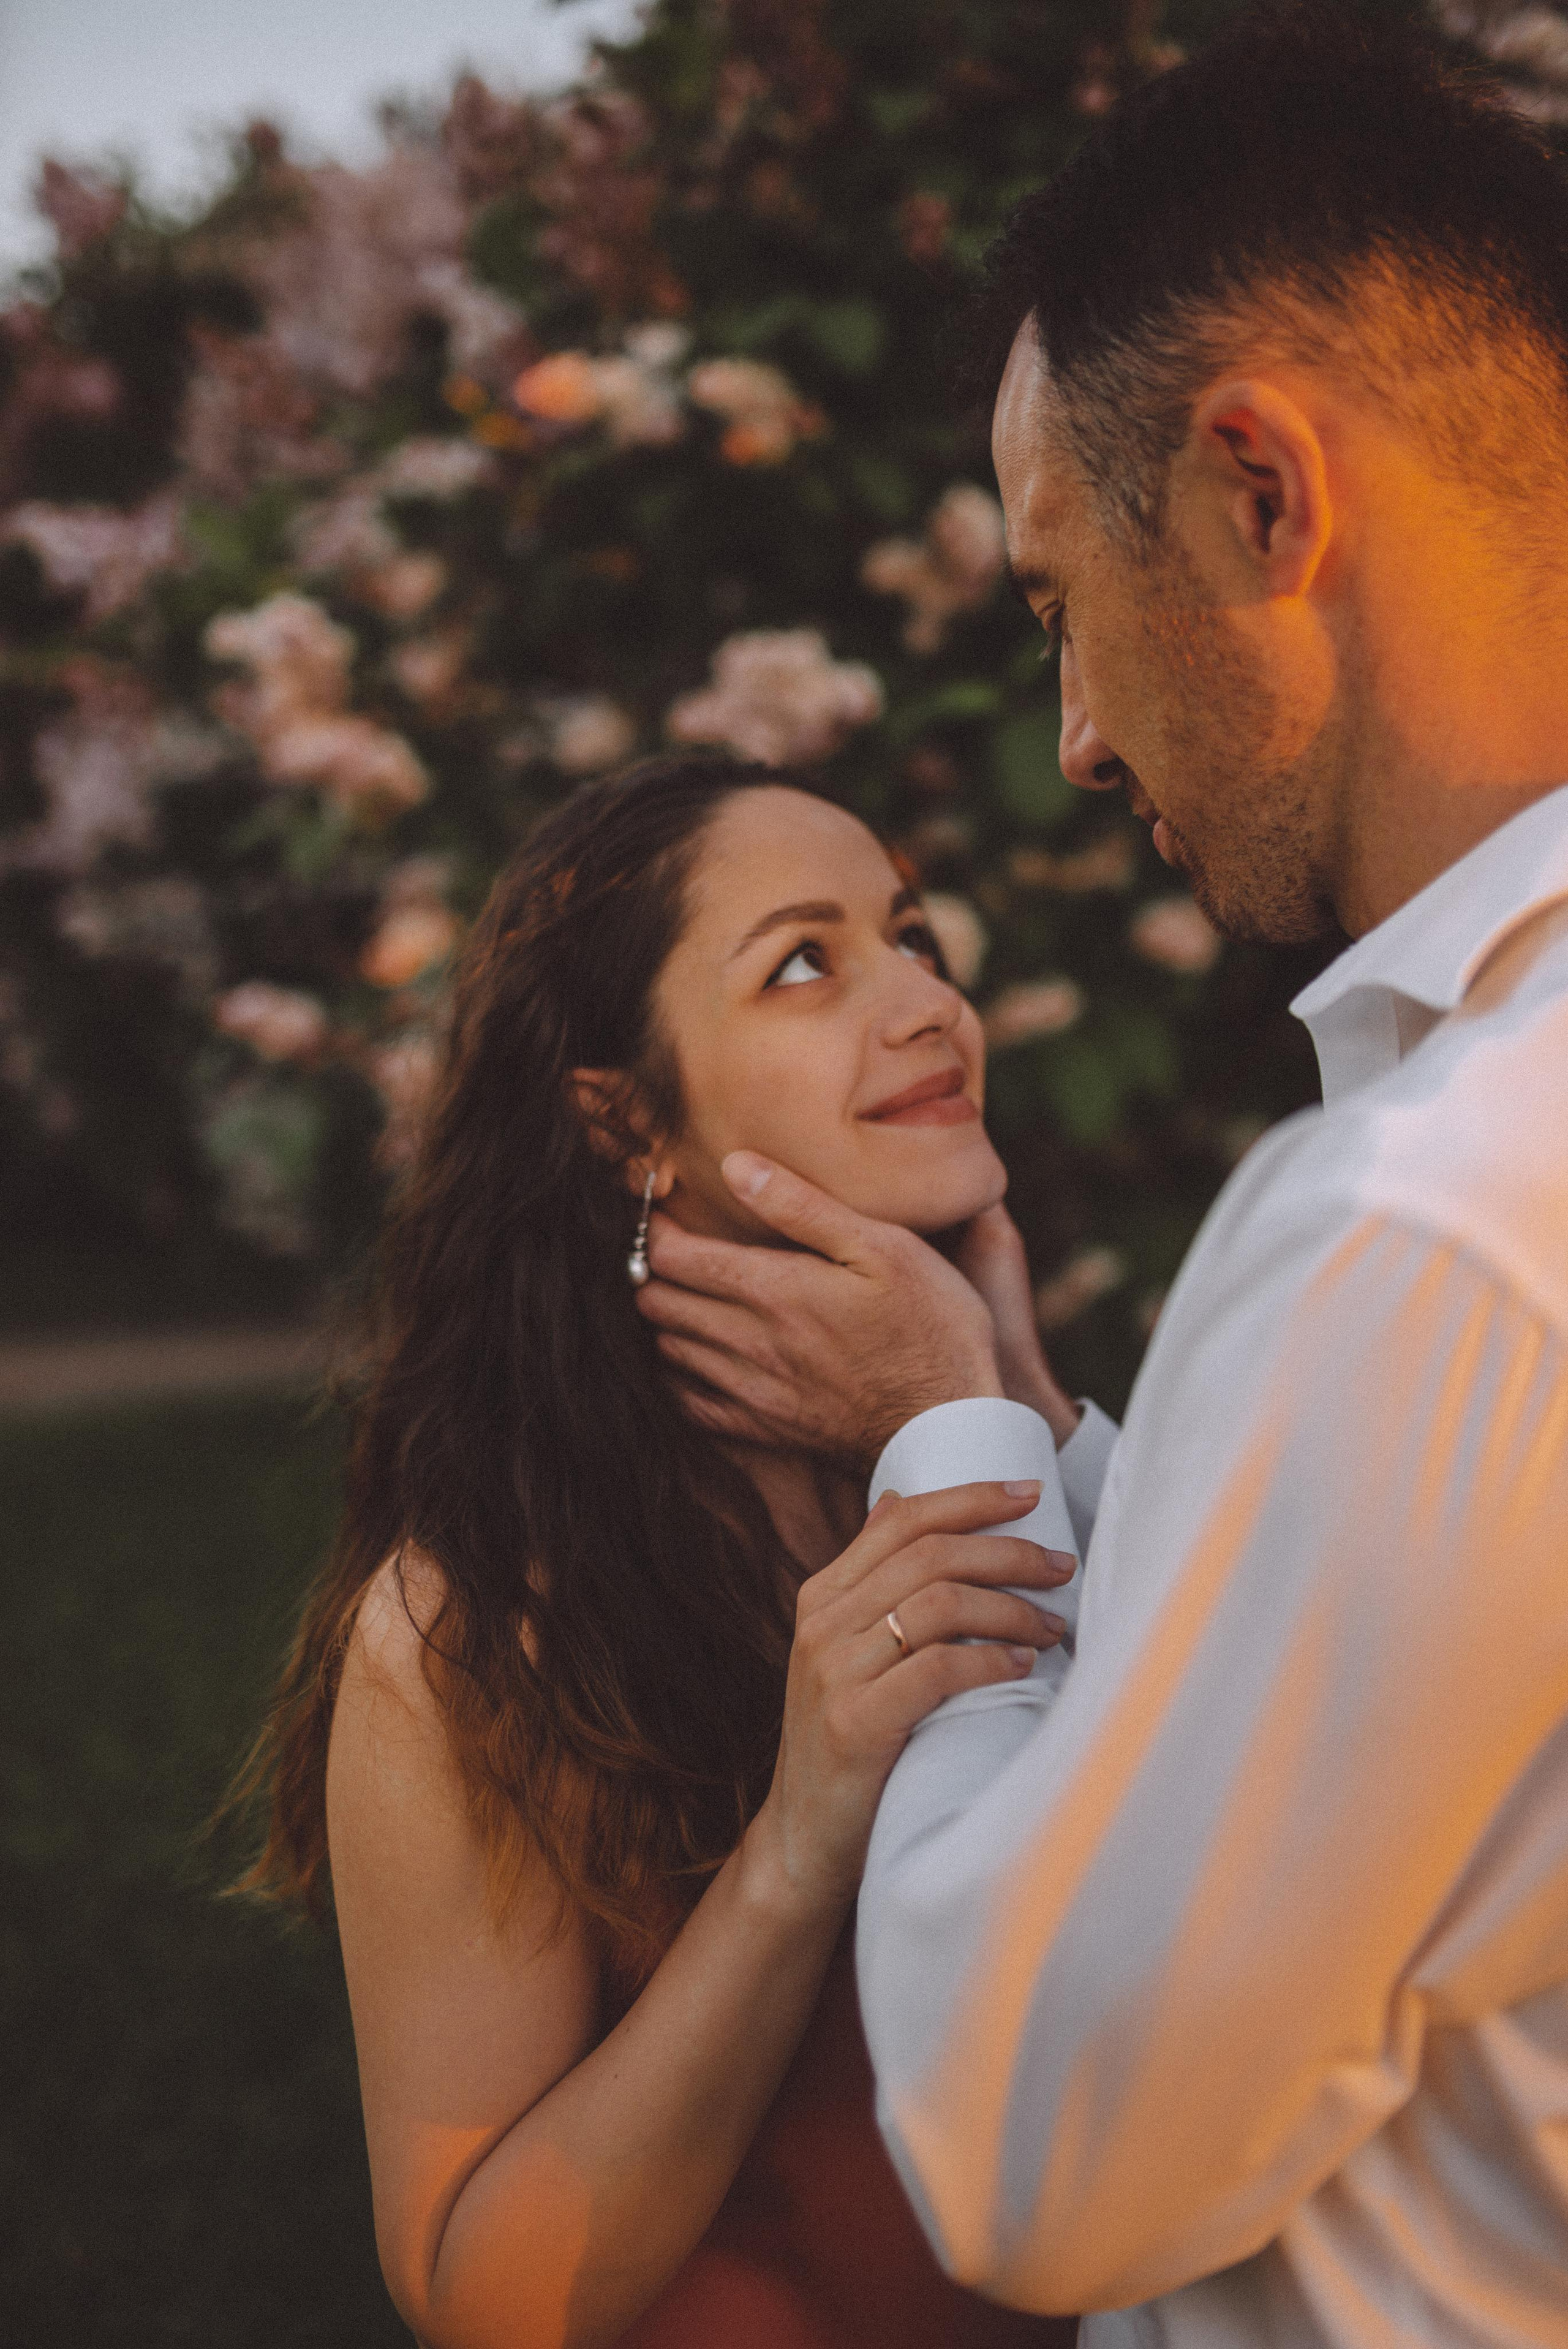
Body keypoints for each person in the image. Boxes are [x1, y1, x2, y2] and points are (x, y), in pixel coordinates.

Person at [635, 7, 1568, 2343]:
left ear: (1264, 492)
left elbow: (1034, 2150)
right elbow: (1404, 1689)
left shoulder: (1426, 1217)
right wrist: (1041, 1428)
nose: (1071, 735)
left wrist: (942, 1445)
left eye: (1063, 599)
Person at [238, 752, 1087, 2349]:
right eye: (803, 963)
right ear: (628, 1122)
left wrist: (1013, 1406)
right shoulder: (476, 1630)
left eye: (913, 937)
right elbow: (482, 2291)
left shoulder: (998, 1458)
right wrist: (800, 1830)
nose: (922, 1001)